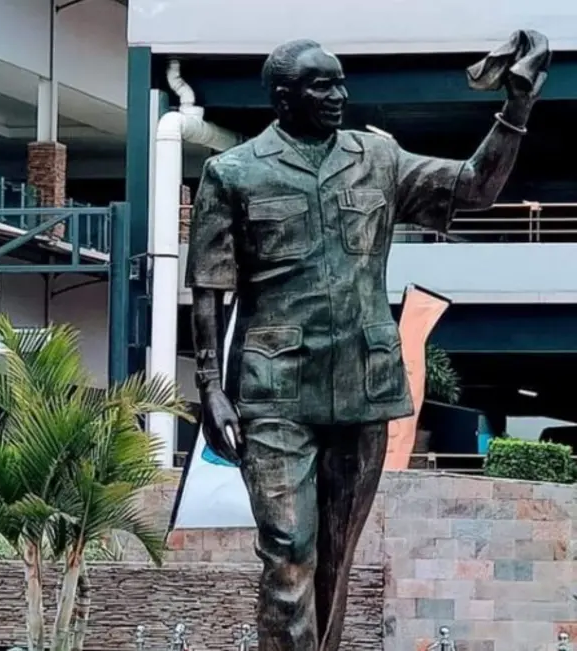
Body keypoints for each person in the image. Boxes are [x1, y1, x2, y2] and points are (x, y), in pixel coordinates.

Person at [185, 38, 545, 651]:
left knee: (334, 557)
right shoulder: (234, 171)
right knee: (287, 553)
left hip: (363, 386)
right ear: (283, 98)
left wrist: (515, 108)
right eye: (322, 86)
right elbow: (209, 288)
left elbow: (473, 188)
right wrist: (210, 385)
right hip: (274, 392)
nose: (339, 96)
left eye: (341, 83)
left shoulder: (378, 156)